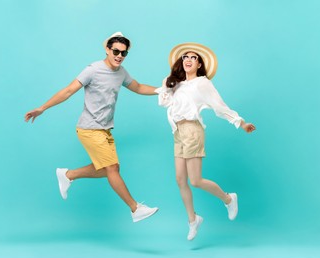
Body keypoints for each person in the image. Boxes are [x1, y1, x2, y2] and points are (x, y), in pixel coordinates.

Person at [24, 32, 159, 223]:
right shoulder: (93, 70)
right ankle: (135, 208)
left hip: (104, 129)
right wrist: (42, 108)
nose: (119, 56)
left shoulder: (121, 72)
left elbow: (137, 87)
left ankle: (68, 175)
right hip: (89, 128)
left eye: (124, 53)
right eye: (116, 51)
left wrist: (163, 91)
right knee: (111, 168)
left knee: (111, 169)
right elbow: (69, 90)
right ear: (107, 49)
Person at [156, 42, 256, 240]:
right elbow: (164, 102)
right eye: (185, 57)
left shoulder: (202, 83)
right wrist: (168, 84)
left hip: (193, 130)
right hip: (178, 131)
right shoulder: (177, 84)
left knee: (195, 180)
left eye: (194, 58)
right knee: (180, 179)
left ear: (200, 64)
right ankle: (193, 220)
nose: (188, 60)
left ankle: (228, 198)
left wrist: (241, 122)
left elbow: (220, 106)